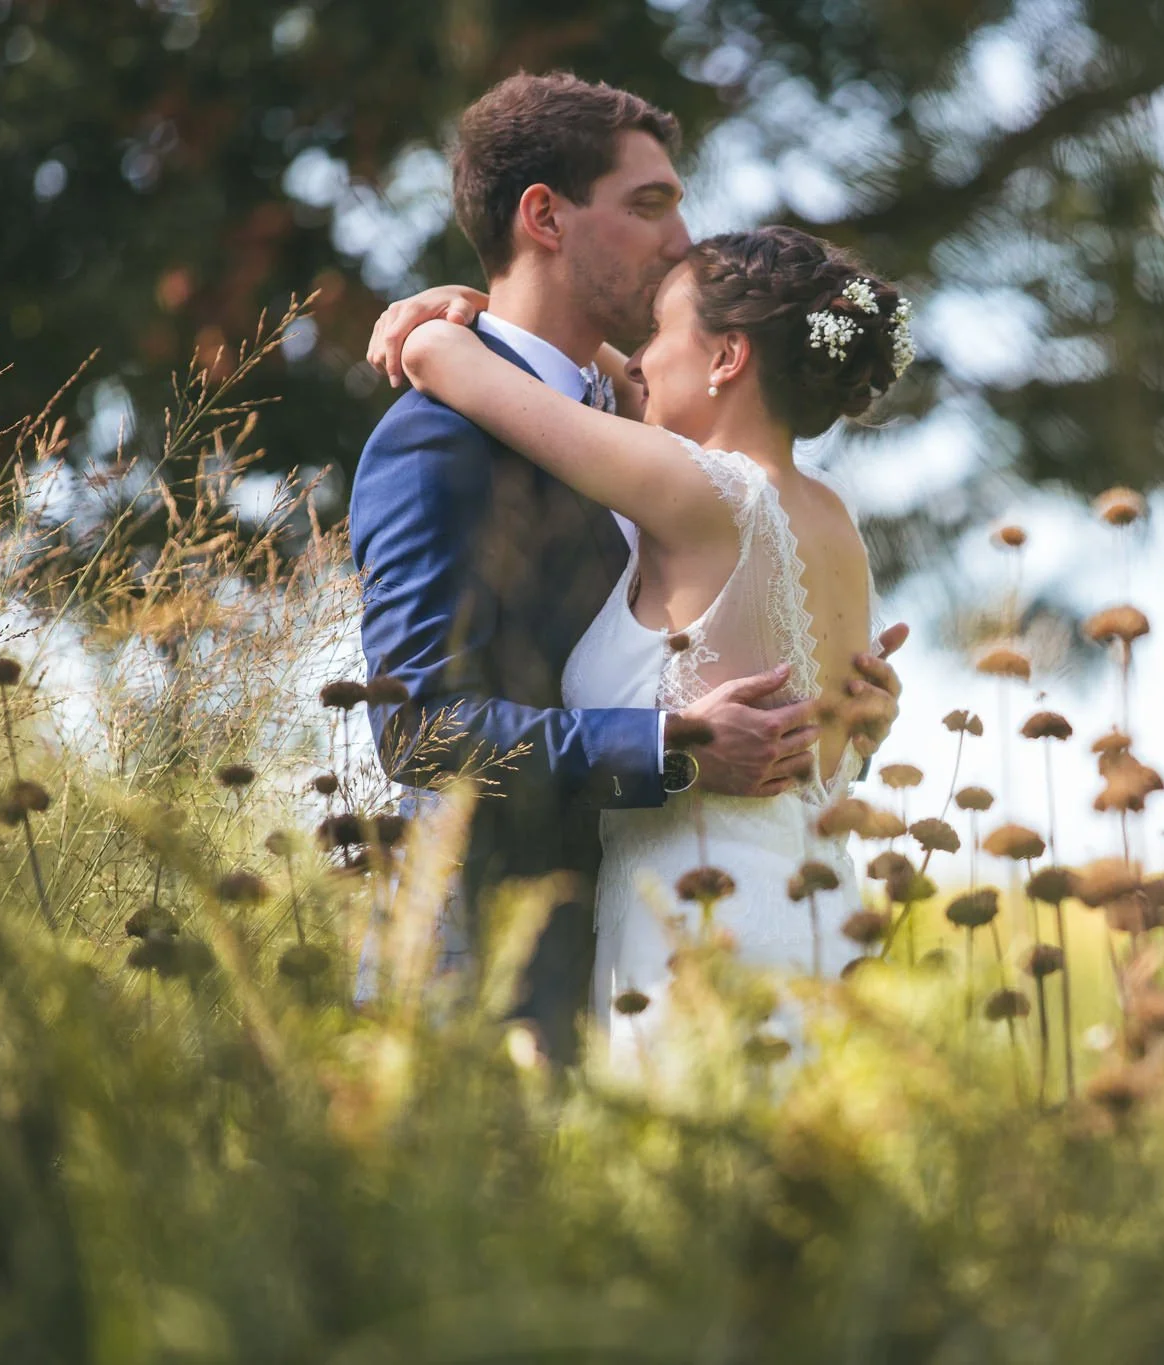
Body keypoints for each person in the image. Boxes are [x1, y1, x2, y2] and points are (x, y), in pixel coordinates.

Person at [349, 73, 904, 1063]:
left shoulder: (646, 444)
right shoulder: (440, 441)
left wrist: (442, 326)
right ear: (543, 218)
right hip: (492, 979)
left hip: (671, 947)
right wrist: (675, 747)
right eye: (651, 204)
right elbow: (418, 729)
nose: (682, 237)